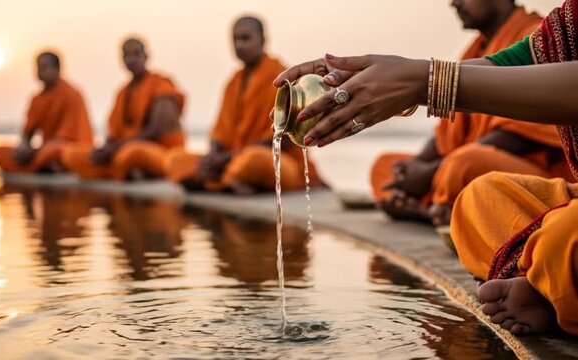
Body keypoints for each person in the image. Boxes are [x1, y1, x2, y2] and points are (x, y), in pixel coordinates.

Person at [273, 0, 578, 336]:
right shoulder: (553, 30)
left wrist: (422, 83)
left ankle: (550, 281)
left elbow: (513, 132)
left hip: (515, 166)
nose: (454, 2)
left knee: (551, 229)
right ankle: (550, 281)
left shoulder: (525, 27)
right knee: (477, 201)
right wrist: (385, 83)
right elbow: (488, 77)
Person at [370, 0, 571, 226]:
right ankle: (441, 209)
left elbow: (519, 134)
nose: (454, 3)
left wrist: (429, 173)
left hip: (531, 171)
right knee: (386, 166)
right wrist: (415, 168)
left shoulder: (537, 35)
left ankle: (440, 209)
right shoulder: (475, 50)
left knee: (464, 165)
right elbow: (446, 130)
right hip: (464, 165)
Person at [164, 16, 322, 194]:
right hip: (230, 160)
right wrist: (213, 157)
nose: (239, 45)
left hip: (275, 160)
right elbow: (220, 133)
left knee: (254, 160)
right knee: (174, 159)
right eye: (235, 40)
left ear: (263, 40)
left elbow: (283, 138)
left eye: (245, 38)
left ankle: (223, 179)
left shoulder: (282, 78)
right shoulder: (233, 83)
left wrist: (226, 158)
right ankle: (232, 180)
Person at [62, 37, 185, 181]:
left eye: (136, 54)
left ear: (146, 56)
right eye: (126, 55)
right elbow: (113, 134)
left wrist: (118, 147)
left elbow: (157, 130)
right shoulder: (122, 92)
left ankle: (128, 169)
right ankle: (129, 171)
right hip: (122, 150)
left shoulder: (161, 85)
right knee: (71, 155)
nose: (131, 60)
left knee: (133, 153)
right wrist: (105, 150)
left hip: (157, 152)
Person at [0, 52, 93, 173]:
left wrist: (39, 150)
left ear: (57, 69)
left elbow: (66, 137)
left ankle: (39, 166)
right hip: (45, 150)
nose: (39, 71)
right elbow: (27, 133)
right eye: (38, 67)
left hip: (69, 148)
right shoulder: (36, 99)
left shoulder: (72, 94)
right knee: (0, 151)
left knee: (54, 152)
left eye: (44, 67)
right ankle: (40, 166)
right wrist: (24, 147)